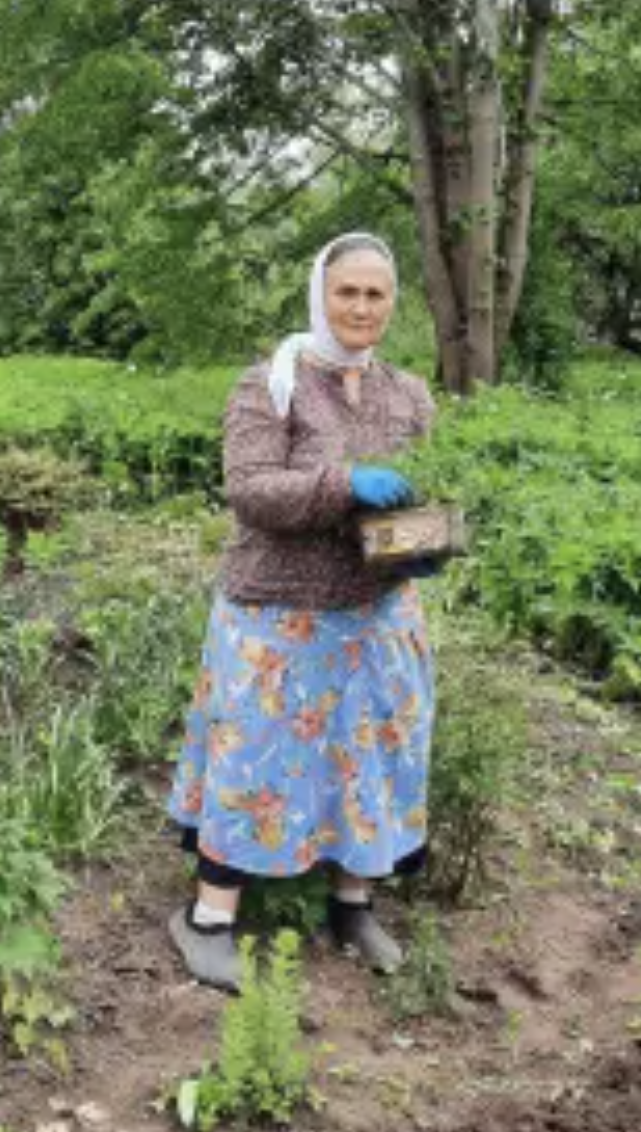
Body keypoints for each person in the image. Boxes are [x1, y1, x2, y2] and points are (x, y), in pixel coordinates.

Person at [166, 232, 438, 991]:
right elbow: (250, 489)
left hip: (377, 612)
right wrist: (346, 481)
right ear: (319, 295)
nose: (359, 306)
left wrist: (429, 537)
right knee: (254, 756)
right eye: (345, 291)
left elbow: (428, 490)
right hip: (277, 611)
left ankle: (351, 906)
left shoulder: (411, 393)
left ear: (392, 304)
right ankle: (207, 918)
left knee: (369, 757)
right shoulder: (271, 384)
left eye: (375, 294)